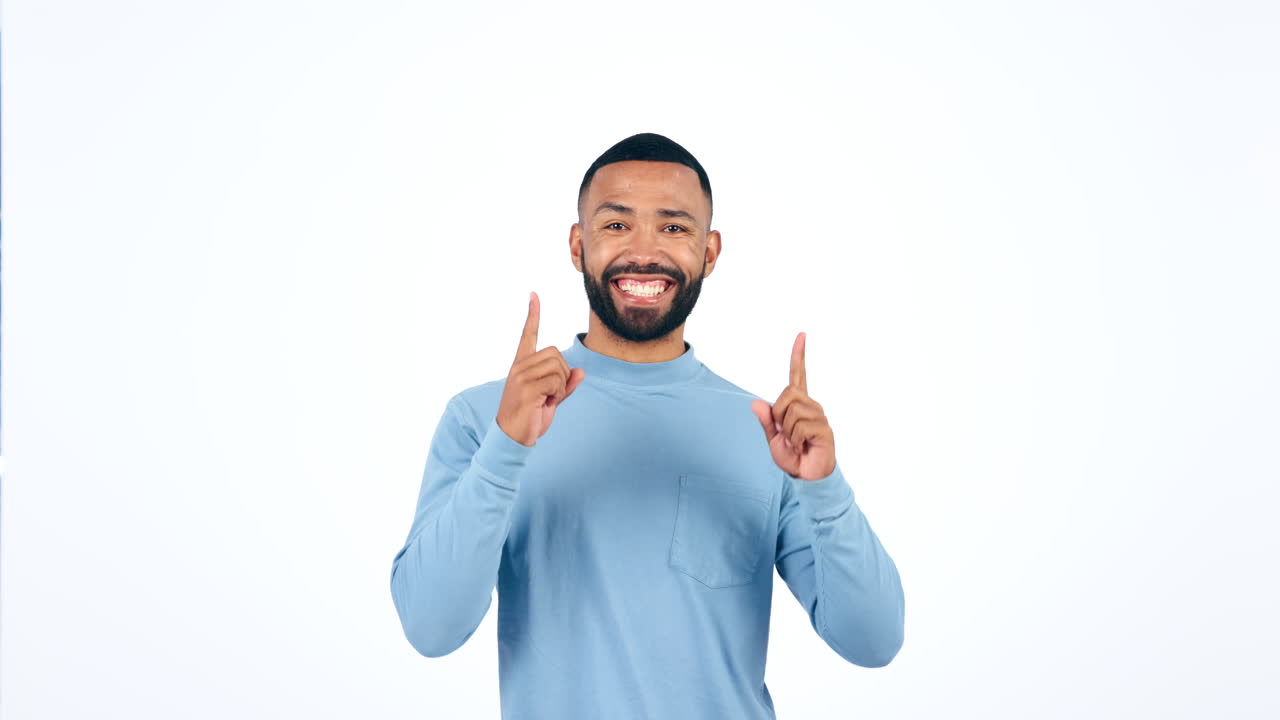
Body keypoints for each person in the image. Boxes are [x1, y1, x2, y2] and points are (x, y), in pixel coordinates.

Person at [390, 132, 905, 719]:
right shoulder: (486, 419)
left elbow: (874, 641)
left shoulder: (771, 436)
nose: (643, 251)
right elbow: (430, 628)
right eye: (615, 226)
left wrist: (826, 489)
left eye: (674, 227)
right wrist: (506, 451)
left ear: (709, 253)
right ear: (577, 244)